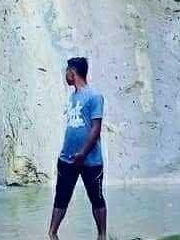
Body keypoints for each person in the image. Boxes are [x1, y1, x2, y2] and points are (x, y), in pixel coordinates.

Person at [49, 56, 107, 240]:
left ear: (73, 72)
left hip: (90, 159)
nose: (65, 75)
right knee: (61, 196)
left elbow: (96, 128)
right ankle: (52, 233)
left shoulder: (95, 96)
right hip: (67, 158)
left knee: (96, 197)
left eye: (67, 71)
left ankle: (102, 235)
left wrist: (82, 153)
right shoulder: (73, 96)